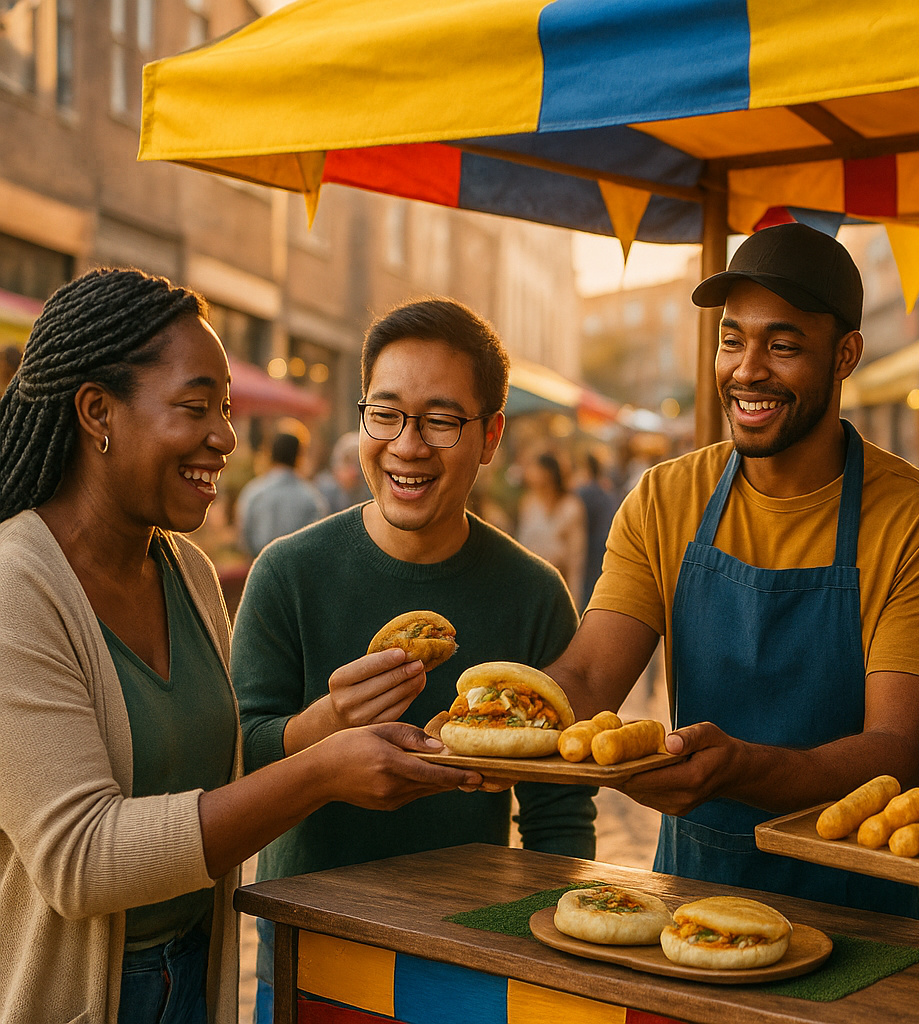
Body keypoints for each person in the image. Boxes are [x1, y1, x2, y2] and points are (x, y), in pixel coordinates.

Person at [0, 269, 477, 1024]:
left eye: (226, 408)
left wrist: (327, 721)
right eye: (197, 408)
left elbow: (209, 781)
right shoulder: (15, 587)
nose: (226, 436)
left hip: (197, 972)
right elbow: (81, 860)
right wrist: (320, 773)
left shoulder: (185, 572)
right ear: (98, 412)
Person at [543, 223, 919, 917]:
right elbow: (592, 676)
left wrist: (743, 768)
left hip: (859, 920)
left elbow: (896, 754)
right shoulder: (666, 497)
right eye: (731, 339)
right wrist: (508, 712)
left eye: (782, 345)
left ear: (845, 355)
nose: (747, 369)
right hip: (687, 902)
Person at [231, 298, 597, 1022]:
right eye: (386, 414)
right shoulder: (287, 574)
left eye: (440, 420)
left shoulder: (534, 594)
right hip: (314, 946)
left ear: (490, 435)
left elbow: (559, 812)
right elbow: (237, 763)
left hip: (475, 957)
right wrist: (326, 726)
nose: (407, 444)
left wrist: (553, 960)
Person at [236, 425, 327, 555]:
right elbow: (318, 540)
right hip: (298, 570)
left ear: (270, 453)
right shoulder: (311, 497)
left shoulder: (253, 493)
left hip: (259, 566)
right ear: (298, 456)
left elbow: (244, 538)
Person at [517, 451, 587, 590]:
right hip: (531, 581)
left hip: (559, 584)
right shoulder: (529, 503)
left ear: (548, 473)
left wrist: (574, 595)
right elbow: (521, 543)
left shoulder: (571, 507)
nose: (529, 472)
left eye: (534, 468)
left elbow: (576, 557)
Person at [574, 450, 619, 607]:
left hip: (590, 547)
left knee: (586, 589)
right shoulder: (606, 490)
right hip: (605, 544)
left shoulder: (583, 492)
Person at [312, 430, 371, 514]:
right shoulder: (324, 489)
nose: (354, 471)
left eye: (358, 464)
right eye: (348, 462)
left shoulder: (367, 493)